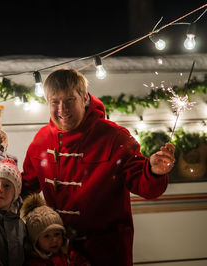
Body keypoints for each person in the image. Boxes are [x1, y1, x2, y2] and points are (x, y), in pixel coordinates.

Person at [21, 68, 176, 266]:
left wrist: (153, 171)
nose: (62, 109)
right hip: (58, 254)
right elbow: (24, 188)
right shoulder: (41, 141)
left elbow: (145, 187)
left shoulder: (114, 137)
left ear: (84, 97)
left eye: (69, 100)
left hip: (106, 253)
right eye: (55, 101)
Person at [21, 193, 89, 266]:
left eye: (57, 234)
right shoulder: (35, 262)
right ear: (35, 241)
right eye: (47, 236)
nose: (54, 240)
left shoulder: (69, 253)